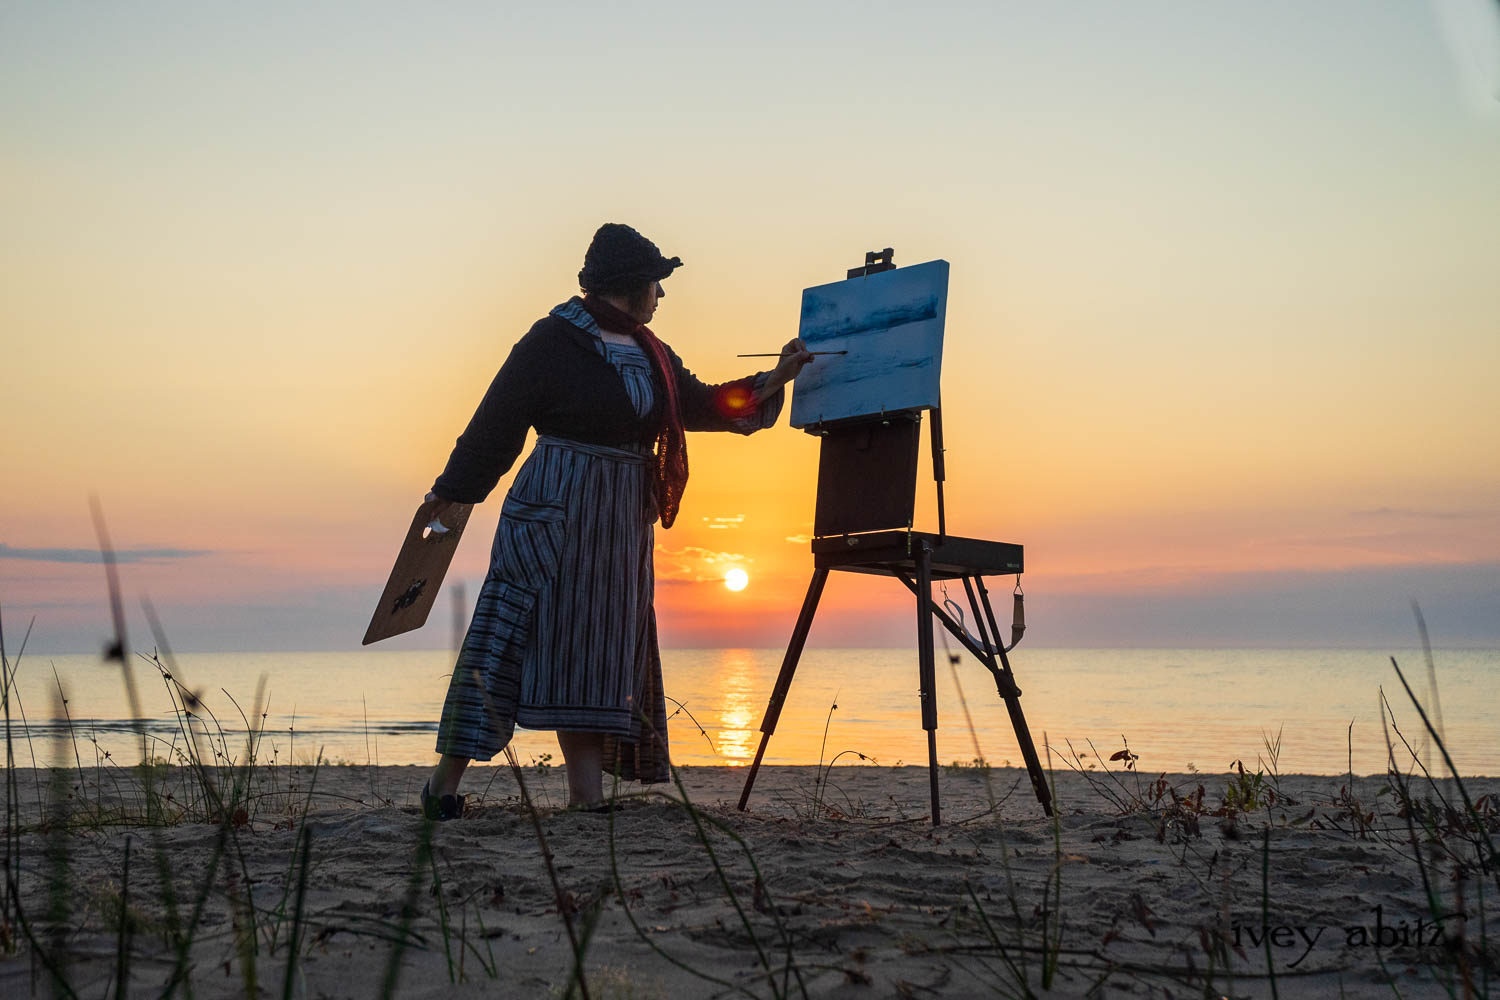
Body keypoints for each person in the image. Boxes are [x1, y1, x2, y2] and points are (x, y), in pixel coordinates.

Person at [419, 223, 813, 819]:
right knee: (504, 639)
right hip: (553, 510)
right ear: (634, 286)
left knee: (597, 649)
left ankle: (585, 797)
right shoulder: (550, 342)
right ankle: (443, 785)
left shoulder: (652, 351)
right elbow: (493, 428)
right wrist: (450, 496)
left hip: (620, 523)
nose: (662, 296)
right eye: (658, 283)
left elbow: (704, 405)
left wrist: (774, 380)